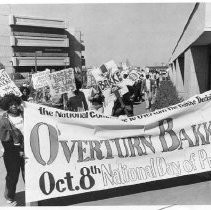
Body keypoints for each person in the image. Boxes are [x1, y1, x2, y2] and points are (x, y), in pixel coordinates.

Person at [0, 94, 24, 206]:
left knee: (28, 174)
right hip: (11, 152)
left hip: (27, 149)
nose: (14, 106)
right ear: (7, 106)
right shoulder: (4, 120)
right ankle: (9, 196)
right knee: (12, 175)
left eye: (15, 103)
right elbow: (5, 141)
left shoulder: (25, 115)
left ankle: (33, 194)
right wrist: (17, 151)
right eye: (10, 104)